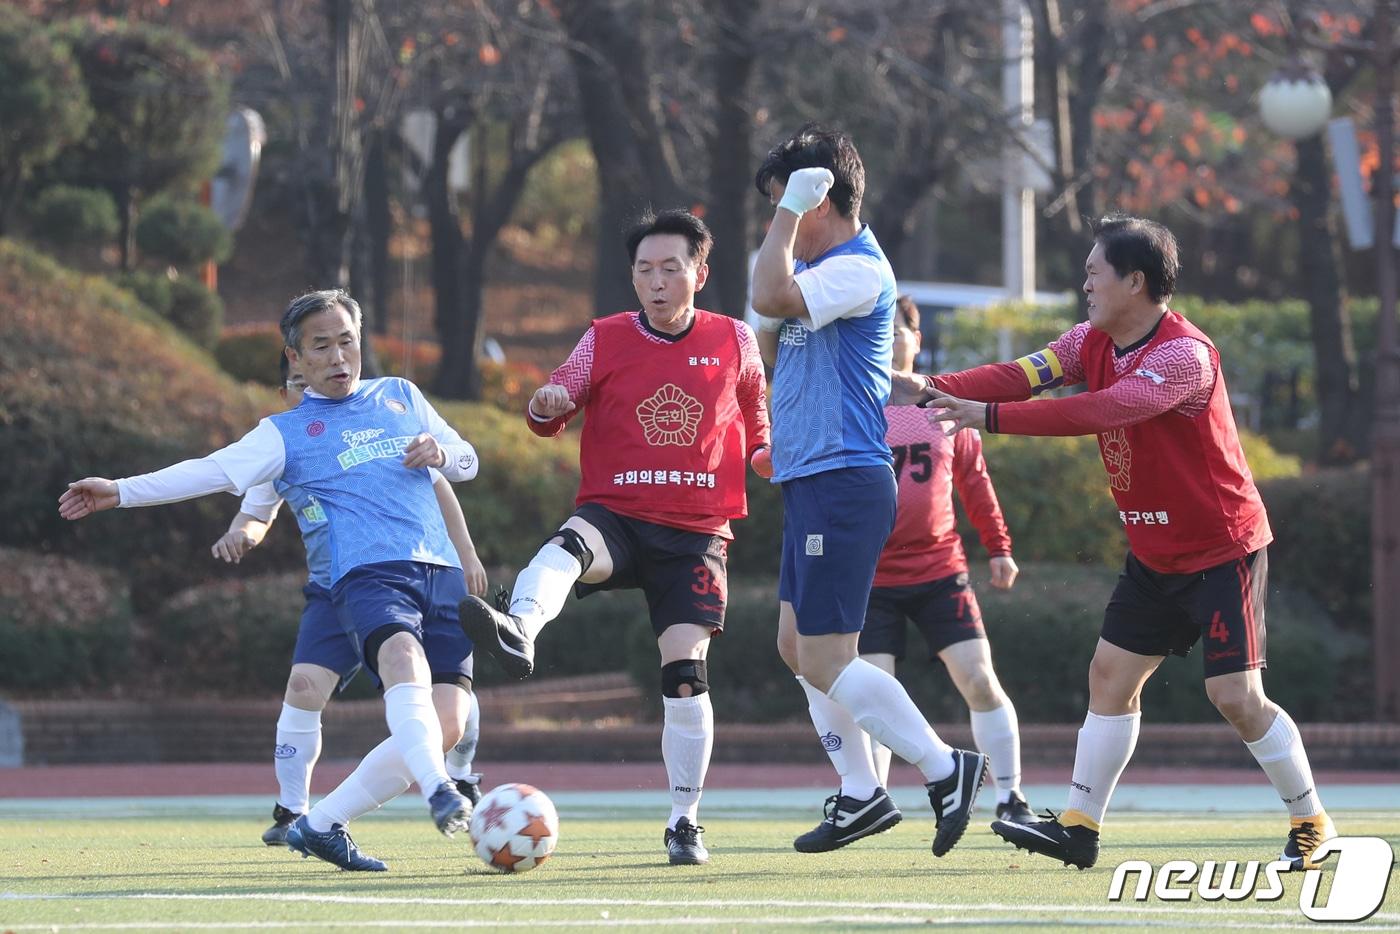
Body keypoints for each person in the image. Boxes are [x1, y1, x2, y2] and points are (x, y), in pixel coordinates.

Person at [892, 214, 1333, 871]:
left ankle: (1311, 821)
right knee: (1109, 679)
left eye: (1096, 271)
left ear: (1136, 281)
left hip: (1222, 550)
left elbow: (1102, 410)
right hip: (1155, 554)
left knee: (1235, 697)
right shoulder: (1085, 340)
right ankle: (1079, 827)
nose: (1086, 282)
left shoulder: (1186, 356)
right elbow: (1023, 374)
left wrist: (988, 418)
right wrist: (935, 390)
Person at [59, 289, 480, 872]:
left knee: (450, 722)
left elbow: (467, 460)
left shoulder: (402, 395)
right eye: (321, 347)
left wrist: (442, 452)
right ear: (296, 359)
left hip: (442, 575)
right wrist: (122, 491)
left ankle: (323, 823)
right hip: (370, 576)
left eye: (347, 342)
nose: (338, 358)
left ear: (362, 342)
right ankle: (438, 789)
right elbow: (209, 471)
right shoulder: (284, 432)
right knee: (397, 664)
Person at [459, 209, 771, 866]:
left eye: (670, 268)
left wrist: (779, 458)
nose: (656, 282)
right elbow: (557, 396)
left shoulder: (735, 339)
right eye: (644, 270)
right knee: (569, 545)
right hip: (617, 514)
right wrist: (544, 405)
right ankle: (519, 629)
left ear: (700, 273)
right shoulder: (603, 337)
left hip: (695, 534)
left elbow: (758, 419)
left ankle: (685, 820)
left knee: (685, 677)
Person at [748, 124, 987, 860]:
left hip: (846, 480)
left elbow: (768, 292)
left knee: (825, 654)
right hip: (812, 479)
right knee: (797, 646)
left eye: (783, 203)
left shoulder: (859, 269)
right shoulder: (819, 275)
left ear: (818, 200)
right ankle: (861, 794)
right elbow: (765, 329)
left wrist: (787, 218)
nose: (774, 220)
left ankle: (948, 769)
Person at [210, 354, 490, 847]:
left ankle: (457, 768)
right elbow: (255, 515)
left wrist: (466, 553)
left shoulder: (380, 418)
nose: (308, 388)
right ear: (286, 391)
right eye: (296, 383)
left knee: (446, 698)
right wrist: (241, 535)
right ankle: (292, 811)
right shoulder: (280, 446)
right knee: (302, 686)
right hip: (331, 588)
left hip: (393, 574)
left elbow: (442, 483)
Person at [795, 295, 1033, 853]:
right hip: (869, 576)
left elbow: (974, 482)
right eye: (885, 329)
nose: (893, 337)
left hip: (937, 568)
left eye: (902, 328)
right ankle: (871, 795)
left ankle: (1010, 794)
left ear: (916, 340)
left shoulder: (942, 404)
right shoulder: (852, 398)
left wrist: (999, 547)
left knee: (978, 678)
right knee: (868, 687)